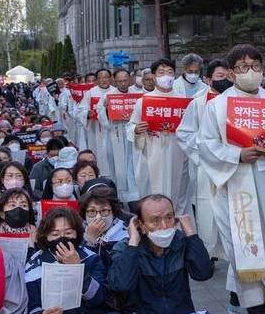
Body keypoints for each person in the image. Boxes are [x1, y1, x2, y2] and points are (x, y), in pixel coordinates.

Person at [199, 45, 265, 314]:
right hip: (237, 186)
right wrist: (237, 154)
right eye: (243, 65)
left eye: (255, 64)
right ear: (233, 71)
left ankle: (264, 306)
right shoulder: (219, 106)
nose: (250, 70)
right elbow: (206, 144)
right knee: (243, 248)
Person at [103, 195, 234, 314]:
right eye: (155, 220)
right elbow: (122, 285)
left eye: (169, 218)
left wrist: (191, 234)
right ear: (140, 224)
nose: (164, 226)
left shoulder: (180, 240)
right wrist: (133, 243)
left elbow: (203, 273)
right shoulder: (126, 247)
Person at [23, 207, 127, 314]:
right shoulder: (34, 264)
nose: (62, 238)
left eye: (68, 233)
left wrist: (76, 268)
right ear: (45, 237)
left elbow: (99, 298)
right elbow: (33, 307)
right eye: (55, 234)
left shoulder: (91, 257)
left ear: (77, 233)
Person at [176, 59, 229, 264]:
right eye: (219, 77)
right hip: (206, 165)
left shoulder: (240, 102)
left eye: (228, 76)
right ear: (208, 80)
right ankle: (207, 254)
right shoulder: (198, 103)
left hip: (233, 164)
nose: (225, 81)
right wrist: (204, 152)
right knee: (207, 209)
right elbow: (184, 134)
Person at [126, 59, 193, 218]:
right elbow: (131, 126)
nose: (166, 76)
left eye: (170, 72)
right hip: (152, 154)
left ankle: (177, 227)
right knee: (153, 192)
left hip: (178, 154)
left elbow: (192, 129)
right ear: (154, 77)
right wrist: (136, 129)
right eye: (161, 73)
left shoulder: (183, 101)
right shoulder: (144, 101)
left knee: (179, 193)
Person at [96, 69, 140, 204]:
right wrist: (107, 109)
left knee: (133, 165)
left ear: (130, 80)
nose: (123, 83)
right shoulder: (108, 97)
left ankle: (135, 196)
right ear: (114, 81)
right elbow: (102, 119)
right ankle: (118, 197)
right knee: (117, 165)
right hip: (116, 134)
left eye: (125, 80)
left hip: (132, 135)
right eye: (119, 81)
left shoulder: (137, 96)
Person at [77, 68, 114, 177]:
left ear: (111, 78)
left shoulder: (115, 92)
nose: (104, 80)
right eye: (101, 78)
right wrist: (87, 113)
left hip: (112, 128)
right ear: (97, 80)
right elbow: (81, 110)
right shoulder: (90, 93)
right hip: (95, 129)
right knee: (97, 151)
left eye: (106, 77)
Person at [80, 190, 128, 271]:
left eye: (104, 211)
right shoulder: (78, 234)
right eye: (92, 211)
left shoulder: (125, 238)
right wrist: (90, 239)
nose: (98, 217)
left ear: (113, 213)